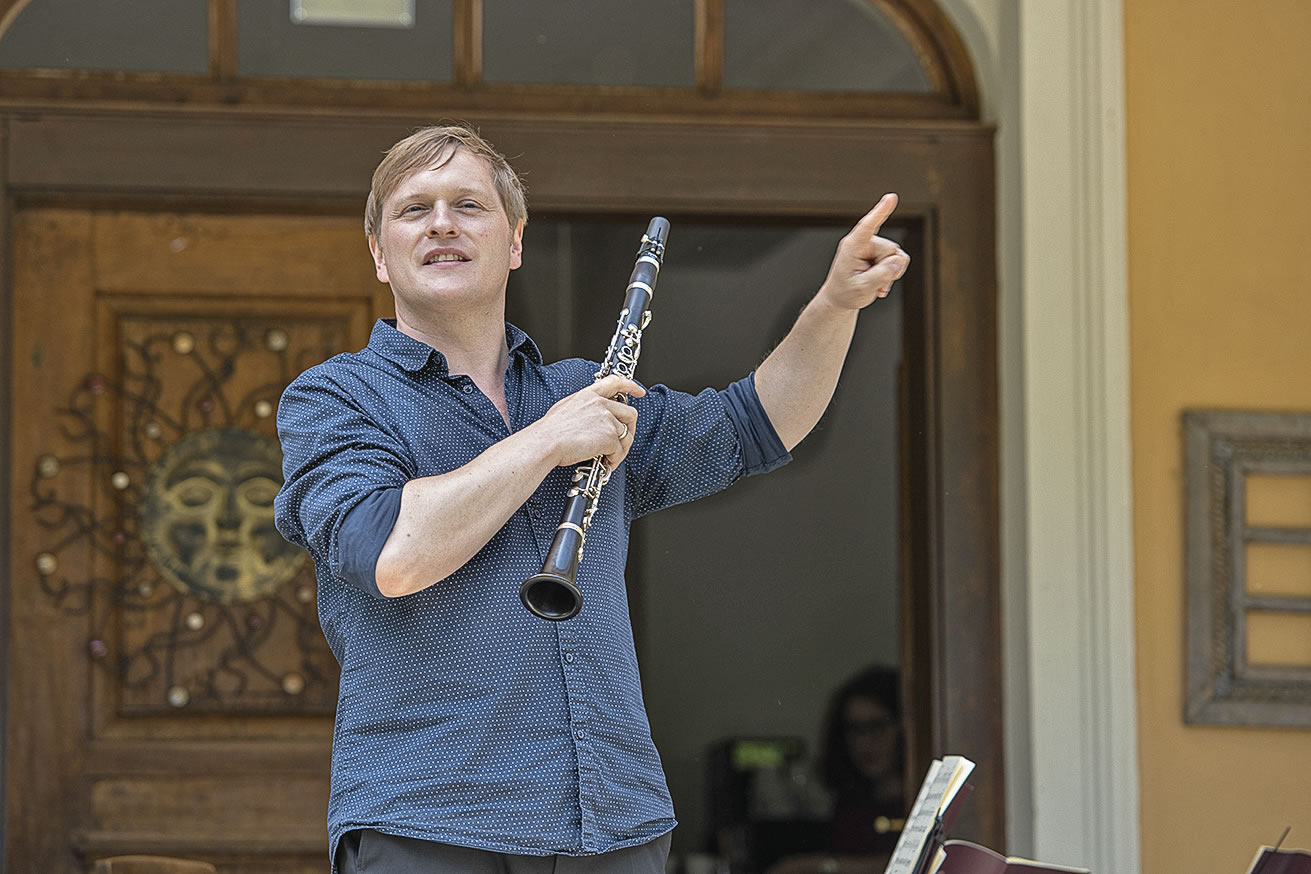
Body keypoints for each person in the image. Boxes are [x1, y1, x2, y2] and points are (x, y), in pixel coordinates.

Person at [273, 122, 909, 874]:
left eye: (468, 205)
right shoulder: (336, 398)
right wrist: (547, 441)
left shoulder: (586, 395)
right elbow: (390, 553)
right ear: (379, 252)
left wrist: (834, 305)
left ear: (513, 241)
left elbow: (756, 424)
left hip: (613, 826)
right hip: (429, 821)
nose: (442, 221)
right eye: (414, 209)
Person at [765, 667, 905, 874]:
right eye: (855, 730)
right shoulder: (849, 804)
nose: (865, 743)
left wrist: (821, 866)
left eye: (877, 727)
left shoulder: (925, 800)